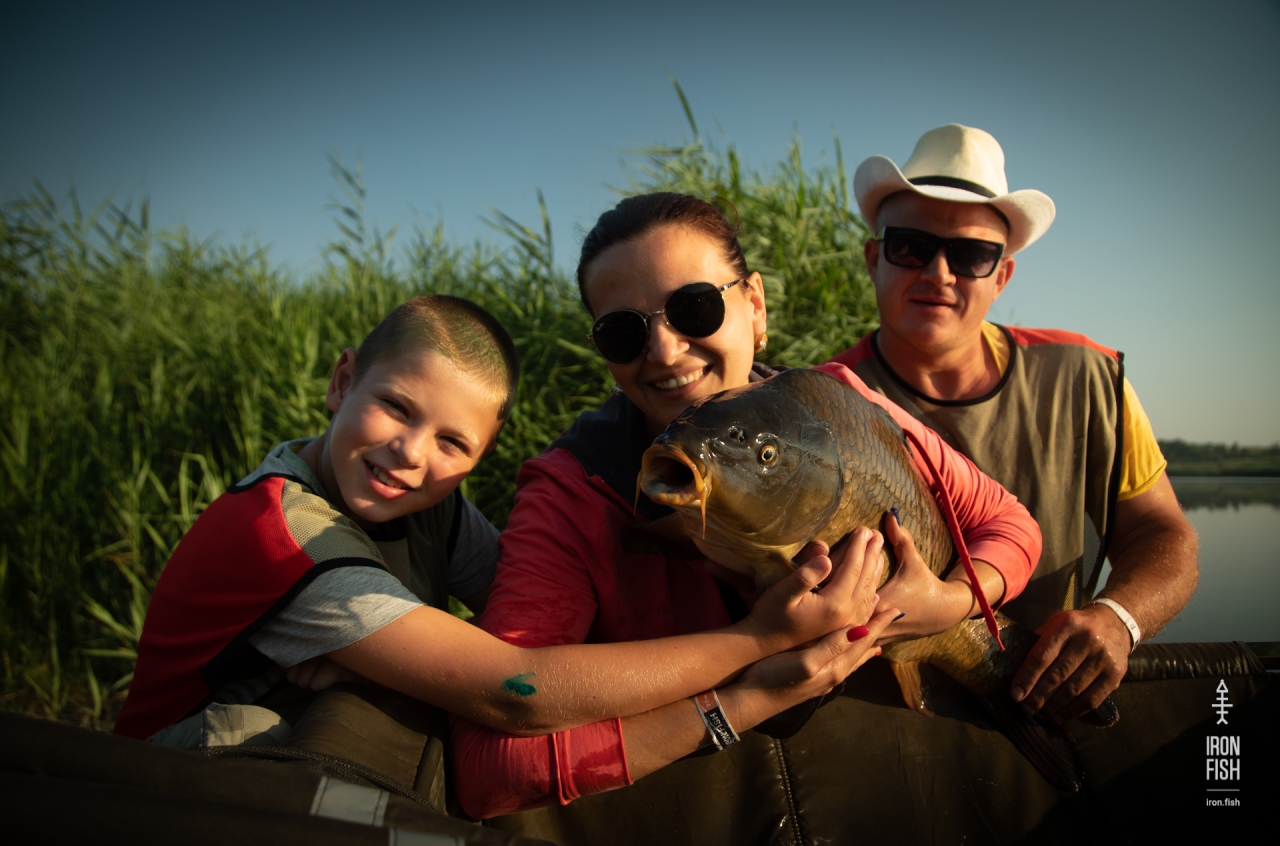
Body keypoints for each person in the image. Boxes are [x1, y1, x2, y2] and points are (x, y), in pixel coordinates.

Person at [451, 193, 1042, 818]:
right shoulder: (572, 490)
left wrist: (946, 605)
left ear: (755, 305)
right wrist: (746, 688)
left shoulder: (838, 404)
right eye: (624, 332)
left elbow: (1008, 523)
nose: (665, 351)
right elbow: (491, 769)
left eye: (695, 308)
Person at [115, 295, 883, 744]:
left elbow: (545, 626)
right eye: (395, 407)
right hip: (186, 784)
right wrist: (759, 640)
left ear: (480, 456)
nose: (410, 453)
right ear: (342, 379)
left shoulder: (432, 508)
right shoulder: (286, 538)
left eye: (453, 443)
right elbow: (517, 689)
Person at [828, 124, 1199, 727]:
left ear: (1001, 277)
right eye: (910, 247)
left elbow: (1164, 534)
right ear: (874, 259)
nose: (938, 273)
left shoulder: (1087, 376)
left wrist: (1119, 619)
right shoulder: (830, 402)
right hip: (882, 718)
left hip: (1058, 699)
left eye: (971, 255)